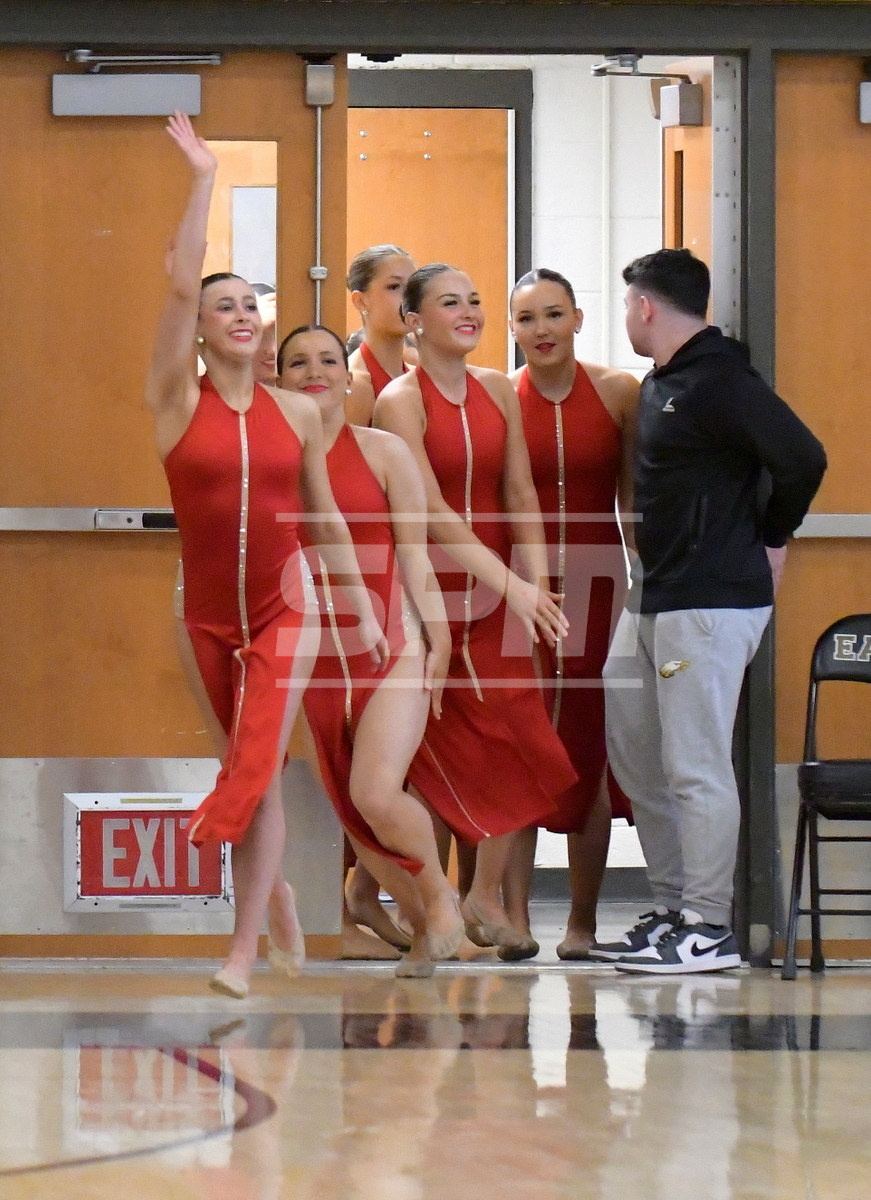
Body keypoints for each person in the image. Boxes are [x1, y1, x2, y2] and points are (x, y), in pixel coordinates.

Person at [148, 113, 387, 999]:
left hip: (288, 607)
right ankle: (274, 895)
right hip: (209, 617)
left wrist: (361, 609)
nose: (242, 316)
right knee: (254, 777)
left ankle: (241, 954)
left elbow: (326, 519)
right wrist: (204, 176)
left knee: (256, 766)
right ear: (201, 330)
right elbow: (180, 284)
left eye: (252, 304)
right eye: (226, 307)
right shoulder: (177, 401)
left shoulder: (298, 412)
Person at [601, 248, 826, 974]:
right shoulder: (663, 381)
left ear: (645, 307)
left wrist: (773, 536)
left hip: (709, 600)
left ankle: (708, 924)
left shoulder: (722, 378)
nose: (627, 316)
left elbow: (804, 457)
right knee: (640, 757)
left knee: (695, 763)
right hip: (655, 594)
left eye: (627, 305)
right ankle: (672, 910)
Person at [374, 263, 577, 959]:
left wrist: (538, 585)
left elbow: (520, 492)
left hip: (504, 592)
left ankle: (482, 893)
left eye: (475, 301)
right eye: (449, 302)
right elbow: (430, 512)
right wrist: (512, 586)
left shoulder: (497, 389)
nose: (468, 312)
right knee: (434, 754)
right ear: (413, 321)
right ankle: (410, 902)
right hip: (430, 592)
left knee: (522, 738)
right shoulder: (400, 401)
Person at [277, 323, 464, 976]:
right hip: (311, 662)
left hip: (391, 649)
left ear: (348, 375)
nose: (315, 372)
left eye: (328, 360)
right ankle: (423, 927)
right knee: (357, 817)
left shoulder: (384, 453)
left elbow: (415, 557)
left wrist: (440, 639)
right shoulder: (269, 465)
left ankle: (439, 898)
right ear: (278, 380)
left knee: (378, 794)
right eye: (298, 363)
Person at [507, 268, 639, 960]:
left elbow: (633, 502)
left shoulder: (619, 392)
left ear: (579, 318)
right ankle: (513, 919)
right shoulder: (500, 398)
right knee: (521, 743)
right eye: (527, 318)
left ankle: (582, 924)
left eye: (554, 314)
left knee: (588, 747)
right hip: (519, 589)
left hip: (599, 585)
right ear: (512, 328)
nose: (542, 329)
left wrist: (646, 586)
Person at [346, 245, 418, 426]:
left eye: (413, 288)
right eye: (394, 287)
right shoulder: (354, 384)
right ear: (360, 301)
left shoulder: (417, 375)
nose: (409, 298)